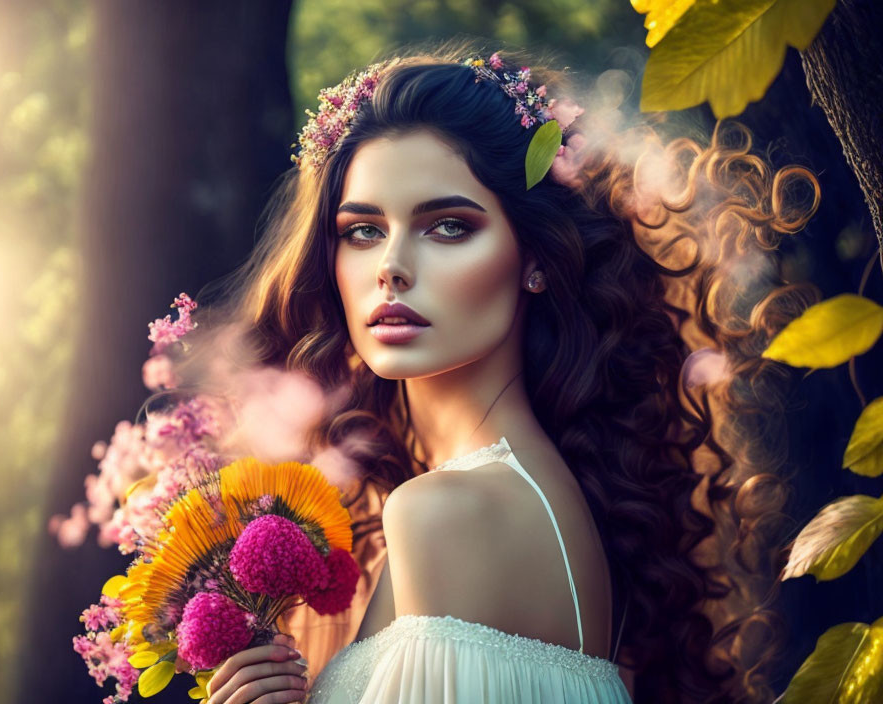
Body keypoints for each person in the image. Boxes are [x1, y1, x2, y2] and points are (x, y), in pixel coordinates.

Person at [199, 39, 820, 704]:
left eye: (447, 227)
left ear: (535, 259)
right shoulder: (529, 497)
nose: (392, 267)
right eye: (363, 231)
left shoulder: (451, 513)